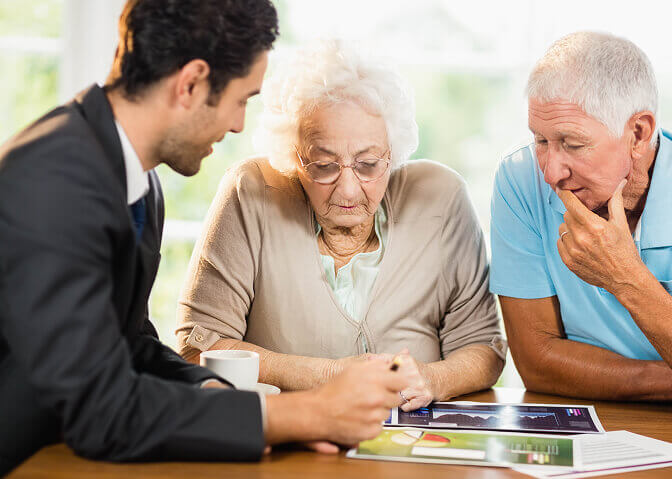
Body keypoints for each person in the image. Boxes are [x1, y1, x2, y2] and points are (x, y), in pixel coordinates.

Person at [0, 1, 409, 474]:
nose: (238, 123)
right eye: (241, 100)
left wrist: (207, 389)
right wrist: (301, 413)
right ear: (191, 83)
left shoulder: (136, 179)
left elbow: (126, 345)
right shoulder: (54, 182)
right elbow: (101, 409)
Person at [175, 40, 506, 411]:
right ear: (294, 157)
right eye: (324, 165)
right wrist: (328, 375)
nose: (348, 190)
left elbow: (485, 348)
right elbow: (199, 346)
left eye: (368, 165)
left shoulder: (441, 198)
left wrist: (433, 379)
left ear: (393, 152)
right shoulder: (251, 192)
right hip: (289, 440)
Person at [490, 31, 672, 418]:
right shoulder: (519, 180)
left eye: (572, 144)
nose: (550, 172)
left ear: (638, 133)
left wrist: (625, 278)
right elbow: (536, 363)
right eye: (540, 141)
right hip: (579, 424)